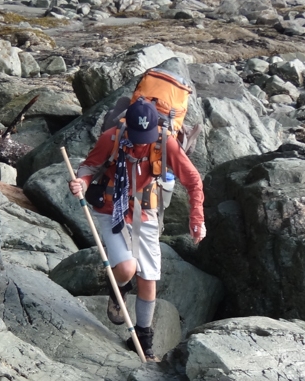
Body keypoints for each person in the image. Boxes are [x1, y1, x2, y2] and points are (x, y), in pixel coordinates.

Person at [68, 98, 206, 361]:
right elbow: (89, 167)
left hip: (146, 212)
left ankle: (142, 340)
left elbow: (192, 180)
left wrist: (196, 218)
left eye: (148, 136)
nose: (142, 143)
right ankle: (117, 288)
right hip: (111, 210)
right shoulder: (112, 138)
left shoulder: (165, 142)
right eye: (138, 136)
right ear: (127, 126)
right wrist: (81, 184)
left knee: (149, 278)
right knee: (127, 268)